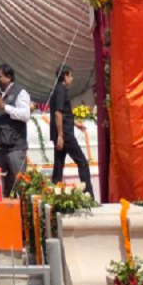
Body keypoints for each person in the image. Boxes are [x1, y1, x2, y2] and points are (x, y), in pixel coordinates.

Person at [0, 64, 31, 197]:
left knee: (20, 183)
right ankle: (7, 214)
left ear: (9, 77)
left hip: (15, 148)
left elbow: (25, 115)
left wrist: (5, 107)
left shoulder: (20, 92)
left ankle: (23, 215)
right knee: (3, 186)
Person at [50, 66, 94, 197]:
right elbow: (58, 113)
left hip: (63, 132)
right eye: (70, 76)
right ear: (65, 77)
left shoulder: (58, 90)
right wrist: (61, 135)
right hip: (65, 134)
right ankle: (88, 194)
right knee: (82, 162)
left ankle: (53, 193)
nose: (72, 79)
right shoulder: (60, 92)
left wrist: (75, 123)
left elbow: (63, 113)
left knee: (58, 165)